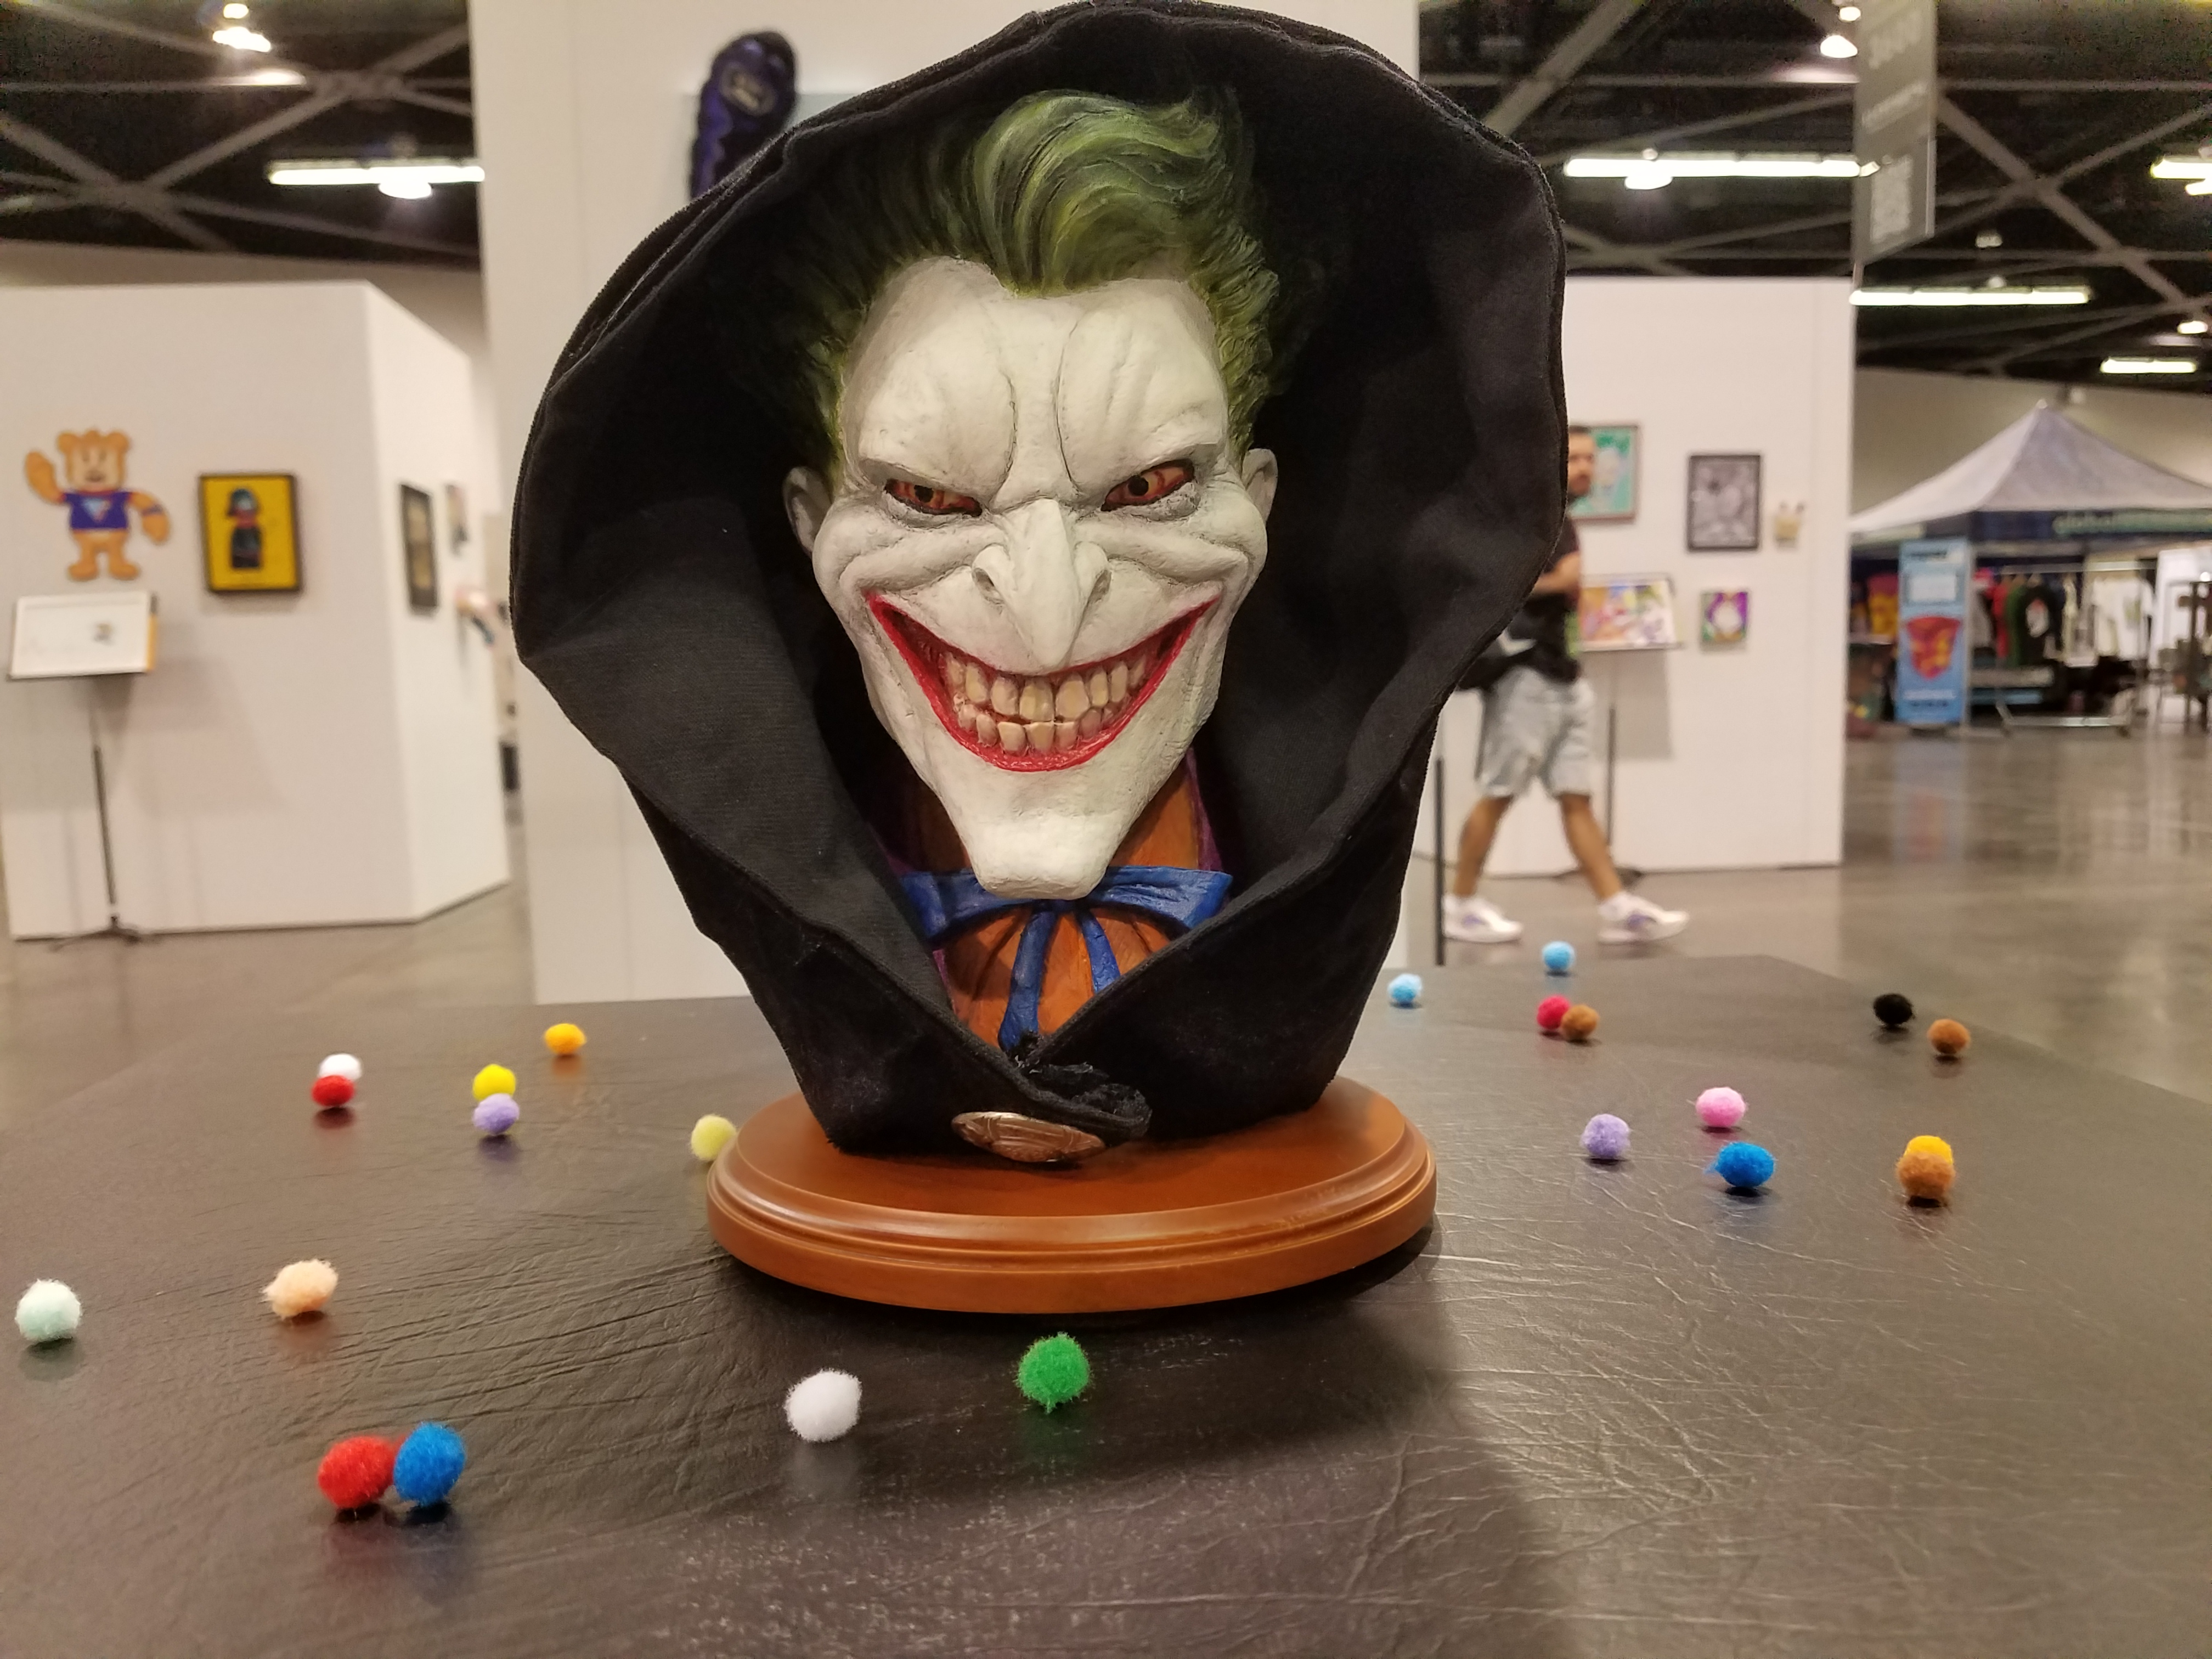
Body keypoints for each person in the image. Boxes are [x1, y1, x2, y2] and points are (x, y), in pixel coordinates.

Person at [1443, 425, 1688, 946]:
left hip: (1565, 674)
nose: (1584, 468)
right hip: (1527, 677)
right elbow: (1495, 583)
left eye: (1590, 459)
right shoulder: (1533, 521)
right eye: (1575, 458)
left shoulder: (1560, 521)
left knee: (1576, 797)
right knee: (1499, 792)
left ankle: (1616, 905)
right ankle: (1459, 904)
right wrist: (1562, 579)